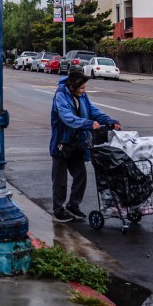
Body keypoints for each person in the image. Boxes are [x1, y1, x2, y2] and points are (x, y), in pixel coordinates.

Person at [49, 70, 121, 222]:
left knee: (81, 176)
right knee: (60, 181)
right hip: (61, 144)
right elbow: (68, 118)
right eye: (82, 88)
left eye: (85, 88)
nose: (84, 90)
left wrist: (109, 120)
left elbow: (93, 111)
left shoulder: (83, 96)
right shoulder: (61, 96)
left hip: (77, 144)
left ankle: (73, 205)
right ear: (73, 87)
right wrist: (88, 124)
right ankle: (58, 209)